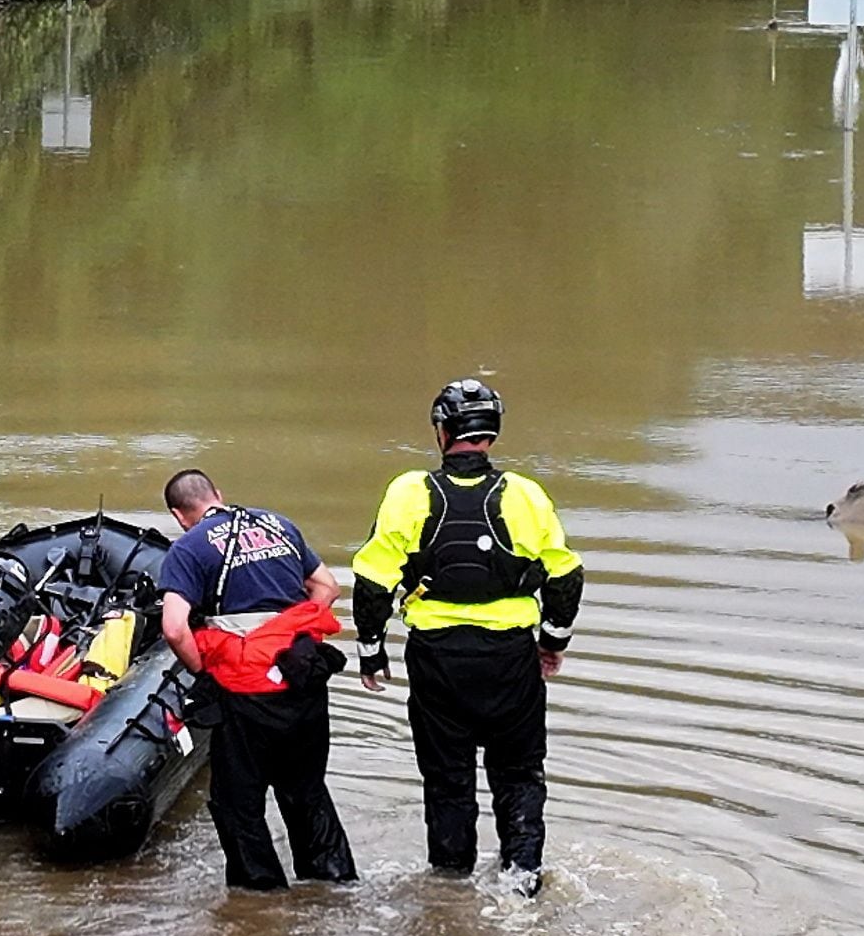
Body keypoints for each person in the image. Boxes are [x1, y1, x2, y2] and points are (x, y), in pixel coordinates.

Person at [349, 375, 584, 889]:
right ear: (492, 435)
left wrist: (370, 653)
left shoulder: (408, 492)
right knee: (519, 775)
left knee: (447, 779)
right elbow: (565, 576)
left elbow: (372, 581)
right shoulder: (524, 494)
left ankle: (450, 885)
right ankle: (521, 881)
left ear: (442, 430)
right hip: (510, 659)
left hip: (437, 660)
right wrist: (552, 642)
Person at [154, 466, 356, 895]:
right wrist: (285, 635)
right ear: (218, 494)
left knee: (236, 802)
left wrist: (202, 672)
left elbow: (174, 628)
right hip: (303, 682)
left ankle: (259, 897)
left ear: (178, 514)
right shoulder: (277, 524)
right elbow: (327, 588)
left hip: (246, 693)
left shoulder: (189, 550)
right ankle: (332, 881)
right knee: (305, 788)